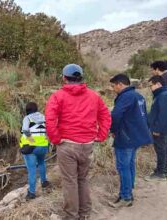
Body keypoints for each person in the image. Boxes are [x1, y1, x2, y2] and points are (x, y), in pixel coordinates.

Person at [45, 64, 111, 220]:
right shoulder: (94, 96)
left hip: (67, 145)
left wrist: (55, 139)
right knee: (82, 179)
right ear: (81, 77)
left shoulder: (57, 96)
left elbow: (49, 120)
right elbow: (105, 117)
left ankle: (72, 216)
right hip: (87, 145)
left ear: (64, 78)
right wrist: (100, 136)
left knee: (70, 181)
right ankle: (85, 213)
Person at [108, 74, 152, 208]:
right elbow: (145, 116)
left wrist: (113, 130)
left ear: (120, 84)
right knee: (130, 164)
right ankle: (128, 192)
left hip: (126, 137)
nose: (113, 88)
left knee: (123, 167)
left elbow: (115, 114)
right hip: (135, 136)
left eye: (114, 85)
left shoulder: (125, 96)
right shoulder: (139, 96)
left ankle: (126, 197)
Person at [145, 76, 167, 181]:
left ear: (158, 84)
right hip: (163, 128)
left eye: (151, 86)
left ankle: (160, 173)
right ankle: (163, 171)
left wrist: (157, 129)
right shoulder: (162, 94)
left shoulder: (164, 96)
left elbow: (163, 115)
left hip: (161, 129)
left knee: (161, 150)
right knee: (164, 149)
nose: (150, 88)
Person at [19, 102, 50, 200]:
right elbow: (49, 129)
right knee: (41, 163)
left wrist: (30, 138)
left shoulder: (27, 118)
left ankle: (31, 193)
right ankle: (44, 182)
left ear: (27, 110)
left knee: (31, 170)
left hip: (30, 147)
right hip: (43, 146)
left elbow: (25, 129)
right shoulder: (44, 117)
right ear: (36, 109)